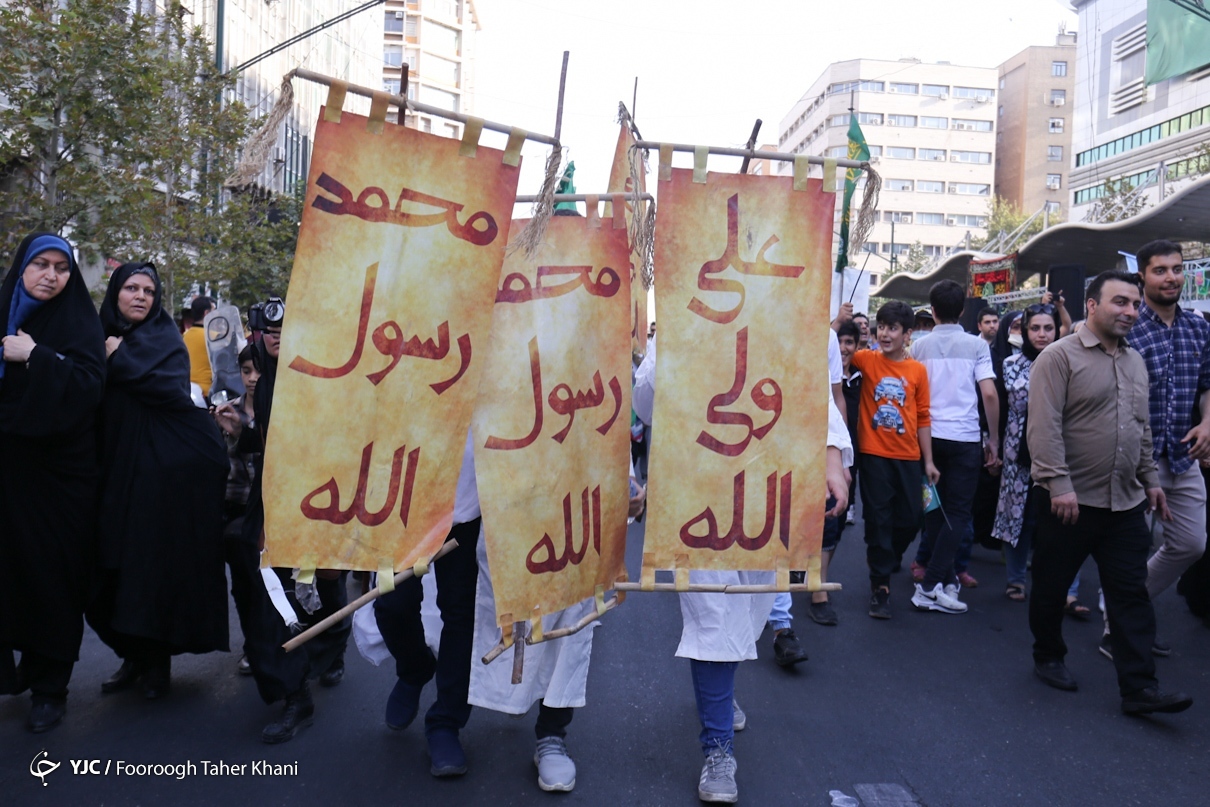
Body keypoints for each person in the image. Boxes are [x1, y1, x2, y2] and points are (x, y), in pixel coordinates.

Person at [633, 334, 851, 803]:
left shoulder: (798, 310)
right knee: (713, 618)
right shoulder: (682, 315)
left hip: (770, 489)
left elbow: (812, 391)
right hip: (698, 488)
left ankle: (721, 685)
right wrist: (674, 342)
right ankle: (717, 749)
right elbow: (647, 405)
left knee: (747, 615)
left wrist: (832, 457)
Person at [1027, 270, 1193, 715]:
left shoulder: (1134, 361)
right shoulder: (1058, 358)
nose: (1131, 311)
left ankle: (1139, 688)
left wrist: (1151, 482)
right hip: (1068, 503)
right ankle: (1048, 654)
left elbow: (1140, 431)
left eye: (1135, 304)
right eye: (1120, 302)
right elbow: (1043, 428)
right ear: (1091, 305)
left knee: (1130, 593)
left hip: (1125, 503)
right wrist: (1058, 484)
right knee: (1050, 586)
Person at [86, 263, 230, 700]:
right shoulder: (94, 334)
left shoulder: (164, 339)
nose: (140, 296)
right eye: (130, 288)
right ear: (115, 292)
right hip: (109, 472)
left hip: (158, 475)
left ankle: (154, 665)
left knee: (148, 572)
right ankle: (130, 653)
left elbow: (166, 387)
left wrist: (117, 358)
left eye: (149, 290)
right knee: (101, 574)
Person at [0, 233, 106, 733]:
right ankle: (20, 671)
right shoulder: (4, 312)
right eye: (39, 264)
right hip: (8, 471)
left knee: (51, 578)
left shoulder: (77, 322)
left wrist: (36, 355)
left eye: (61, 268)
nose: (50, 275)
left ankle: (50, 688)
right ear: (21, 267)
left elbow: (89, 386)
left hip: (60, 478)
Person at [214, 304, 327, 742]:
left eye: (286, 325)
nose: (277, 333)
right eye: (270, 327)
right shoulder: (263, 381)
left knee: (292, 602)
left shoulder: (316, 374)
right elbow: (269, 445)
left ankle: (298, 692)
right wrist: (239, 431)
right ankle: (287, 682)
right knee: (261, 603)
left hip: (310, 507)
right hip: (264, 510)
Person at [1107, 240, 1210, 657]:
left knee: (1190, 543)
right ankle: (1122, 627)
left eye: (1177, 269)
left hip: (1184, 457)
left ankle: (1124, 610)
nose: (1171, 278)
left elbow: (1207, 384)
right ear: (1143, 277)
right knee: (1127, 550)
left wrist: (1207, 422)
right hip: (1134, 459)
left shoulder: (1200, 327)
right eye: (1160, 270)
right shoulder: (1128, 327)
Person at [907, 280, 1000, 612]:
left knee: (934, 509)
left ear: (932, 310)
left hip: (926, 438)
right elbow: (988, 393)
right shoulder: (977, 346)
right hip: (964, 438)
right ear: (962, 310)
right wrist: (994, 439)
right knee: (959, 513)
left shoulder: (918, 347)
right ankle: (931, 585)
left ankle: (943, 582)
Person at [991, 304, 1087, 614]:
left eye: (1048, 328)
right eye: (1036, 328)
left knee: (1066, 522)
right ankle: (1016, 579)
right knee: (1019, 517)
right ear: (1025, 331)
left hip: (1063, 453)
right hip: (1018, 452)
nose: (1042, 334)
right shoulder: (1009, 365)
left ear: (1058, 329)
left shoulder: (1075, 362)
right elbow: (1006, 408)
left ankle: (1069, 590)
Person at [849, 301, 938, 619]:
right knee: (878, 520)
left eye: (892, 328)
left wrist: (928, 461)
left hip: (909, 457)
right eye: (881, 326)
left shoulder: (917, 370)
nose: (885, 333)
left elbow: (924, 417)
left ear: (907, 334)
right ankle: (880, 586)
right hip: (873, 455)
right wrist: (840, 321)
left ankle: (889, 557)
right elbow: (835, 351)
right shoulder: (867, 360)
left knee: (911, 519)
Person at [764, 327, 845, 660]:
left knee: (780, 536)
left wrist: (836, 459)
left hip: (789, 452)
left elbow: (825, 397)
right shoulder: (711, 316)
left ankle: (782, 626)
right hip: (724, 449)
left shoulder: (818, 331)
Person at [182, 294, 215, 396]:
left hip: (186, 389)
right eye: (214, 311)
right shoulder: (215, 337)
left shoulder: (184, 336)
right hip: (208, 392)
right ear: (206, 313)